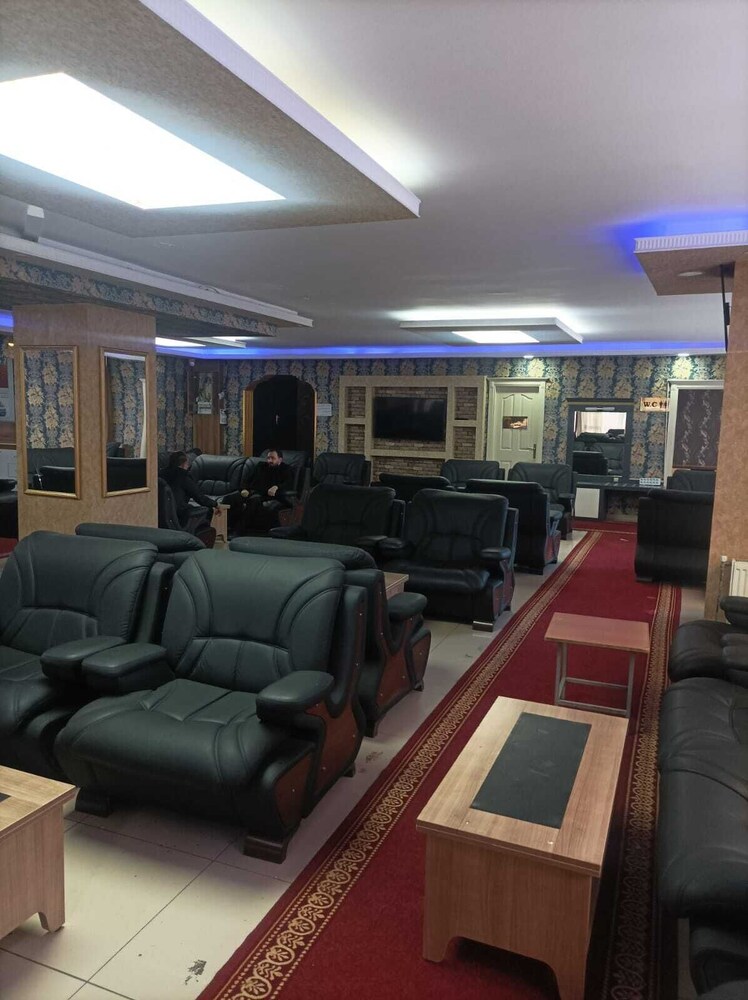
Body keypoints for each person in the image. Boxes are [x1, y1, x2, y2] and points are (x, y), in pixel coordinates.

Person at [162, 451, 217, 538]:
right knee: (209, 509)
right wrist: (215, 504)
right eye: (188, 464)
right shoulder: (184, 476)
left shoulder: (160, 474)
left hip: (161, 512)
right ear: (184, 464)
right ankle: (201, 538)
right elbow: (199, 497)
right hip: (179, 512)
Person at [241, 448, 295, 533]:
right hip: (250, 491)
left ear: (280, 459)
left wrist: (276, 487)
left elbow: (288, 483)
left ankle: (240, 531)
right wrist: (244, 489)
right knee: (231, 498)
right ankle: (224, 529)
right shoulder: (260, 466)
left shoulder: (286, 469)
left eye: (273, 458)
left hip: (266, 495)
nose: (269, 460)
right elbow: (247, 480)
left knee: (253, 501)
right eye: (268, 458)